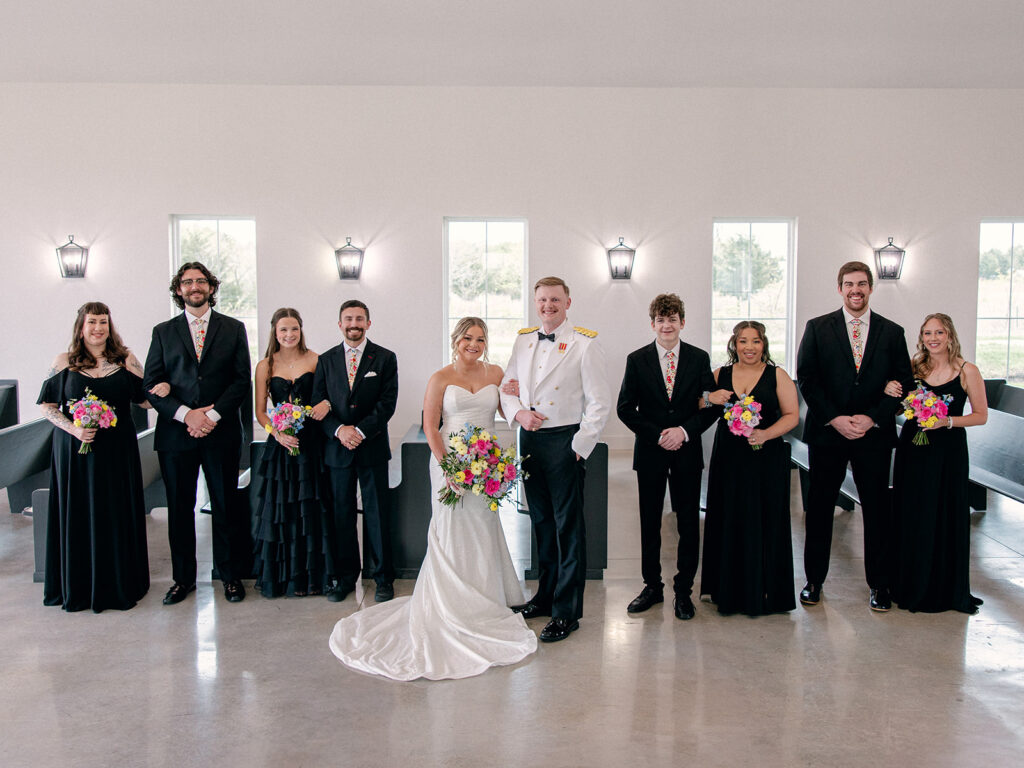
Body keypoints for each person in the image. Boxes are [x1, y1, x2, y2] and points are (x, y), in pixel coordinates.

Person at [329, 318, 537, 680]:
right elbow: (430, 427)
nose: (474, 344)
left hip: (486, 461)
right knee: (451, 531)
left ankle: (483, 602)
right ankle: (450, 605)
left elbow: (506, 413)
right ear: (456, 341)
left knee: (482, 530)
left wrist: (517, 394)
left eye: (480, 339)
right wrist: (451, 469)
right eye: (468, 338)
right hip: (450, 461)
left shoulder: (496, 372)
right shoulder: (440, 378)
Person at [796, 261, 912, 611]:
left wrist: (872, 418)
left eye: (861, 284)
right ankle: (813, 581)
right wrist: (835, 418)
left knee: (877, 511)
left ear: (871, 287)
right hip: (829, 433)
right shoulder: (817, 328)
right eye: (849, 284)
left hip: (873, 436)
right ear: (839, 288)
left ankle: (880, 584)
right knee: (819, 510)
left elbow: (903, 383)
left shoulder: (892, 332)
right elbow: (807, 379)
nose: (855, 290)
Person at [499, 276, 611, 642]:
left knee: (568, 527)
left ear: (568, 302)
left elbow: (599, 402)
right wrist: (518, 415)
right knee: (541, 523)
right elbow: (508, 387)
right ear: (535, 303)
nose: (548, 306)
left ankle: (567, 611)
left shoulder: (584, 344)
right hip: (529, 438)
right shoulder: (523, 339)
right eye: (542, 300)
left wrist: (579, 446)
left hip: (565, 440)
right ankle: (544, 597)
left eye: (555, 300)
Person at [37, 302, 158, 612]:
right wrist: (75, 430)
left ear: (110, 326)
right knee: (79, 510)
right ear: (81, 326)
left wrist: (161, 386)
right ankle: (79, 584)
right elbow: (48, 407)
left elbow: (145, 401)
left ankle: (120, 582)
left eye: (103, 322)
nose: (98, 328)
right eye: (92, 322)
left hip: (117, 450)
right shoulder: (64, 362)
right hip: (75, 450)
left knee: (115, 510)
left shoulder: (126, 360)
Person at [144, 262, 253, 605]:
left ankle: (230, 577)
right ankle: (182, 579)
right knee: (179, 509)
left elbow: (240, 381)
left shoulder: (234, 329)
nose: (195, 286)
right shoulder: (163, 332)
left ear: (210, 287)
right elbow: (151, 385)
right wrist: (186, 415)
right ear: (179, 290)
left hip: (220, 433)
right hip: (177, 435)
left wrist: (214, 415)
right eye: (188, 281)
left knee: (224, 506)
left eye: (201, 281)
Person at [616, 293, 716, 620]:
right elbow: (625, 409)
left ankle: (683, 590)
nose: (667, 325)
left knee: (688, 523)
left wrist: (684, 432)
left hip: (686, 451)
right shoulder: (637, 359)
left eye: (673, 319)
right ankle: (652, 586)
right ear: (653, 324)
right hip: (651, 452)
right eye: (661, 319)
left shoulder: (700, 359)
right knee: (650, 522)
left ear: (682, 323)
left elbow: (709, 405)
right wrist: (659, 434)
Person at [884, 313, 987, 614]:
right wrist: (891, 391)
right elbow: (898, 403)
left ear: (950, 336)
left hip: (948, 450)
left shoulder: (967, 370)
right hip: (913, 448)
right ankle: (909, 583)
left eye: (939, 332)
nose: (933, 338)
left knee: (943, 512)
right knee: (912, 512)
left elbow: (981, 415)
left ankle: (943, 587)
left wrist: (947, 420)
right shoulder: (915, 367)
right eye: (927, 333)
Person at [699, 321, 799, 615]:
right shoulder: (721, 374)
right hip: (729, 458)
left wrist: (766, 434)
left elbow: (792, 415)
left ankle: (766, 589)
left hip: (765, 456)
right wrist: (709, 397)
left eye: (755, 341)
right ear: (735, 344)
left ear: (763, 345)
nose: (749, 347)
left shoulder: (777, 375)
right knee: (730, 515)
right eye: (743, 341)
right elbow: (697, 403)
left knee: (764, 518)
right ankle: (726, 588)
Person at [312, 300, 398, 604]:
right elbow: (318, 404)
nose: (354, 323)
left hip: (371, 447)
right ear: (339, 324)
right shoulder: (325, 360)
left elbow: (386, 404)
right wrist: (340, 431)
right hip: (337, 450)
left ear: (368, 323)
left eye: (360, 318)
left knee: (377, 514)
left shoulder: (386, 358)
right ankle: (345, 577)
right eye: (348, 318)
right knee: (341, 516)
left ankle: (383, 577)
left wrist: (359, 431)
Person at [251, 308, 333, 598]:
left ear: (301, 330)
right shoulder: (265, 365)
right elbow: (261, 412)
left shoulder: (315, 359)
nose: (289, 335)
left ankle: (315, 577)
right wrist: (277, 433)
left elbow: (327, 397)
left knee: (311, 507)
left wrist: (325, 406)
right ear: (274, 331)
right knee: (282, 511)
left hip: (311, 442)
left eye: (294, 329)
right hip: (281, 443)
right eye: (283, 329)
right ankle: (284, 579)